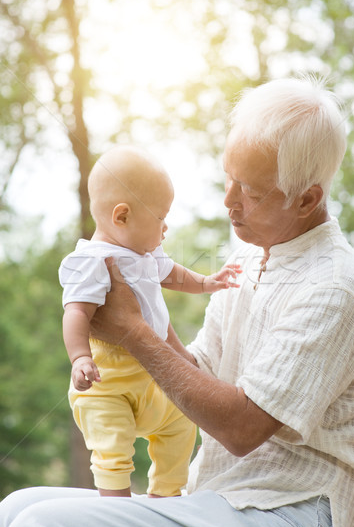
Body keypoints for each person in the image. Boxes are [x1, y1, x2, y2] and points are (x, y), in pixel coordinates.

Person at [0, 76, 354, 527]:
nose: (229, 200)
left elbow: (243, 428)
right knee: (13, 513)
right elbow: (195, 373)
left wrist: (136, 333)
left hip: (294, 518)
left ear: (306, 199)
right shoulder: (248, 260)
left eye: (250, 190)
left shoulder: (335, 285)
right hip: (223, 502)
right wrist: (133, 304)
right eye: (229, 177)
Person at [58, 145, 241, 498]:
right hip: (107, 378)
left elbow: (172, 274)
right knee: (112, 448)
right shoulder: (91, 260)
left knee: (182, 420)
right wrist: (80, 357)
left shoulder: (145, 252)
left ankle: (166, 497)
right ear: (122, 216)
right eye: (160, 216)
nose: (166, 226)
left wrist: (206, 282)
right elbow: (76, 312)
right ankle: (117, 507)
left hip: (152, 373)